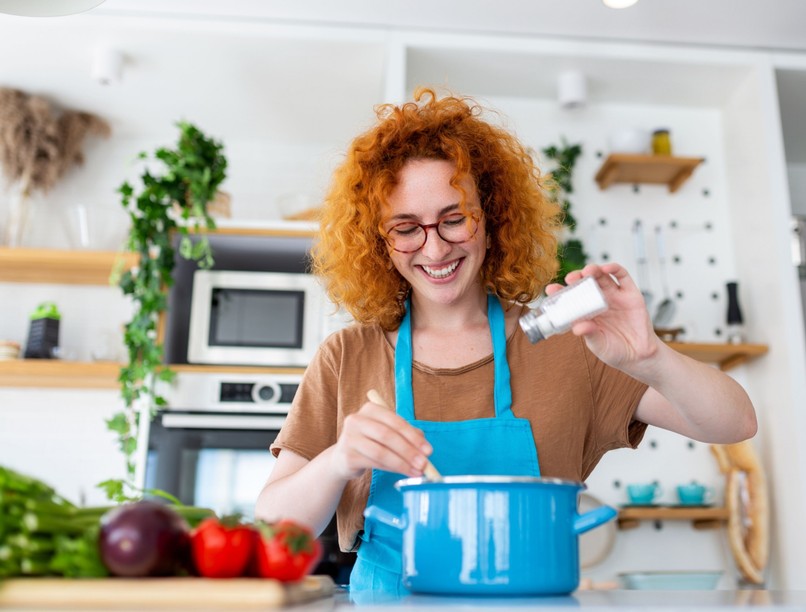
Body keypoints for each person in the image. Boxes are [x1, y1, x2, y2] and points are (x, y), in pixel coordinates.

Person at [255, 88, 757, 594]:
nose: (434, 247)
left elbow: (736, 422)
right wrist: (340, 458)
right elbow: (276, 525)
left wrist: (651, 357)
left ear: (492, 218)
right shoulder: (347, 357)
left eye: (454, 219)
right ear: (380, 243)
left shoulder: (569, 344)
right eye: (406, 229)